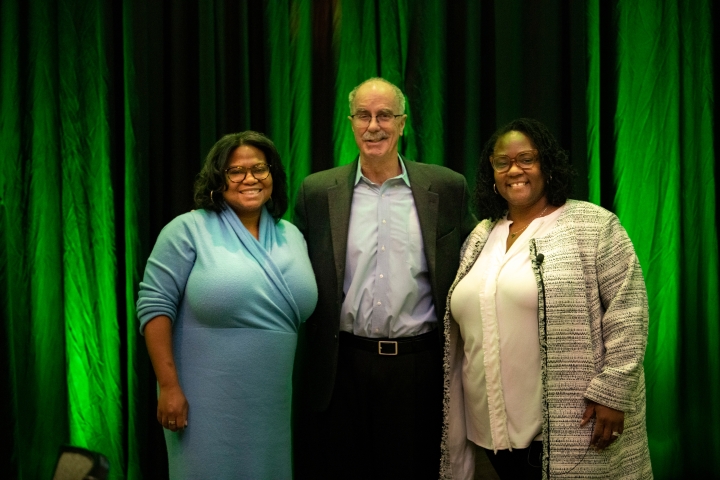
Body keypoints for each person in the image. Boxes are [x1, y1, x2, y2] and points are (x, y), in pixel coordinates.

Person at [439, 118, 652, 479]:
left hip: (569, 430)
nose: (514, 170)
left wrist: (614, 391)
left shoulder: (593, 225)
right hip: (487, 434)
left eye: (526, 158)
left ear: (546, 165)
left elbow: (629, 312)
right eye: (502, 162)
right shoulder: (481, 234)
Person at [292, 77, 477, 479]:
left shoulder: (445, 187)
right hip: (341, 369)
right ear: (351, 122)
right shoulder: (317, 192)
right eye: (363, 115)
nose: (373, 126)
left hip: (419, 368)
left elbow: (480, 262)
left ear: (403, 123)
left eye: (384, 115)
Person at [136, 131, 317, 479]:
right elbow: (154, 307)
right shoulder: (187, 229)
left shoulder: (292, 235)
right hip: (203, 402)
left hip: (270, 403)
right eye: (236, 171)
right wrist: (169, 387)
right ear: (218, 180)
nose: (249, 179)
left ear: (272, 176)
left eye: (259, 169)